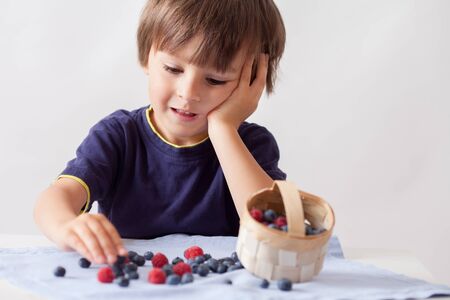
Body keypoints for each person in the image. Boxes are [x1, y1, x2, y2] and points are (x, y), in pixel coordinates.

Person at [34, 0, 286, 266]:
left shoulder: (252, 146)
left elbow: (277, 233)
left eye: (215, 80)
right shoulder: (118, 137)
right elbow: (57, 197)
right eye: (173, 69)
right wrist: (65, 226)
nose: (188, 93)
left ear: (252, 83)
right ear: (146, 58)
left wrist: (223, 129)